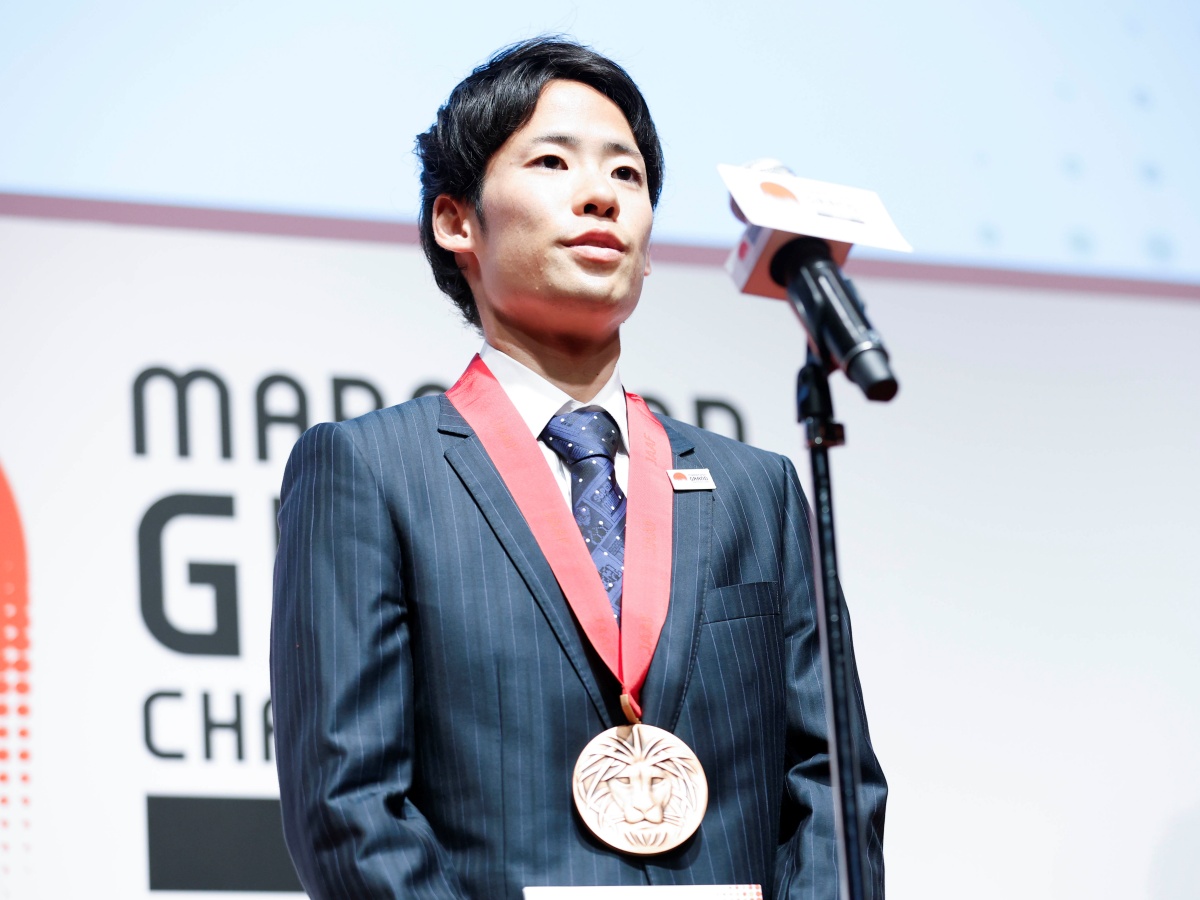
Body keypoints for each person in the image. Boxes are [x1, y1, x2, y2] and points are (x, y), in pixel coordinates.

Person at [271, 36, 886, 899]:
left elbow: (830, 787)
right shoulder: (372, 471)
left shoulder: (758, 491)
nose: (601, 194)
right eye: (552, 162)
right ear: (456, 222)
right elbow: (349, 805)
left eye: (627, 175)